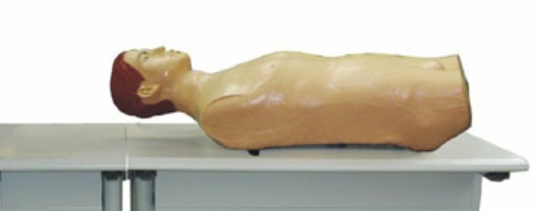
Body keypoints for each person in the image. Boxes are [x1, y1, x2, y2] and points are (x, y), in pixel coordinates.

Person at [110, 47, 471, 151]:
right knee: (446, 86)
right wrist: (416, 108)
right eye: (147, 57)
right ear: (148, 91)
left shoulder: (218, 88)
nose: (160, 47)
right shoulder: (220, 113)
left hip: (394, 79)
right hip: (410, 100)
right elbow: (321, 113)